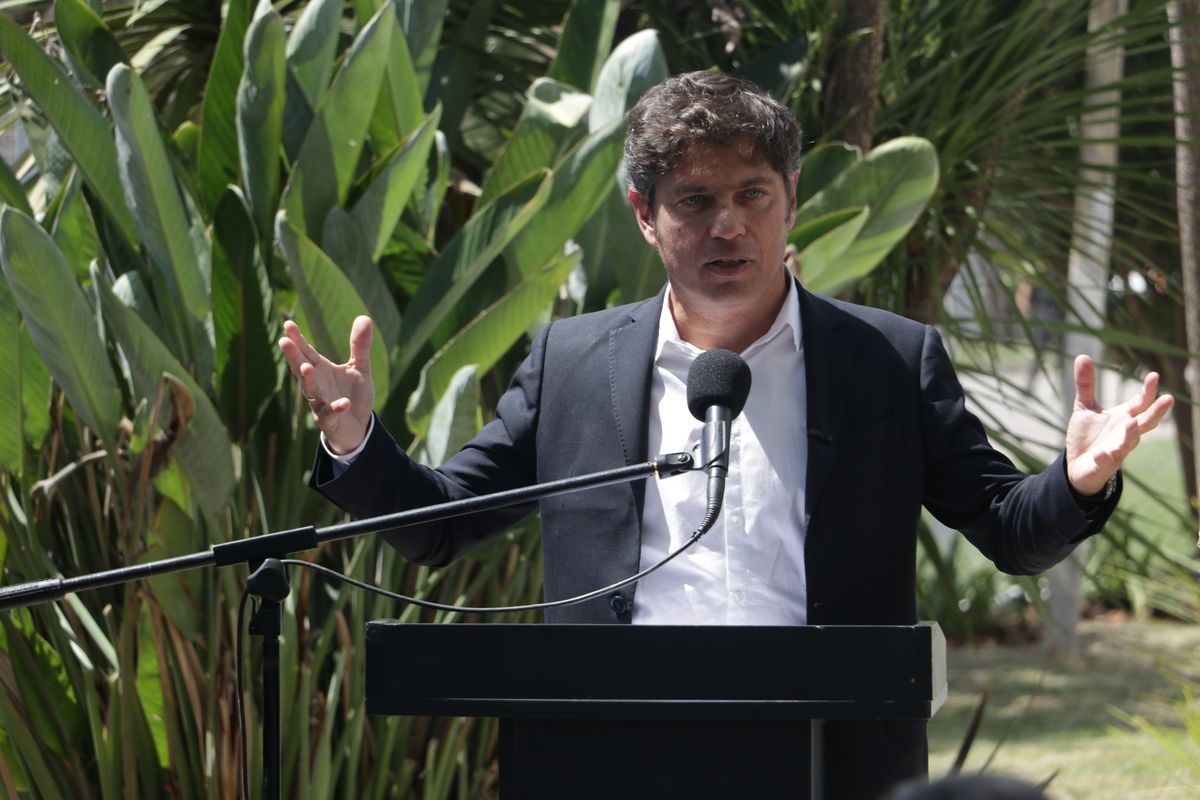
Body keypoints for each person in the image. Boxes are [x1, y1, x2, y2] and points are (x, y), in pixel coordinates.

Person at [278, 71, 1173, 798]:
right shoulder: (575, 361)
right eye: (695, 200)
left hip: (831, 750)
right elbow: (444, 521)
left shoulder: (887, 360)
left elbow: (1007, 528)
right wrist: (358, 442)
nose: (728, 224)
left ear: (791, 200)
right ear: (643, 214)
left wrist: (1079, 479)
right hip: (608, 753)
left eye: (753, 193)